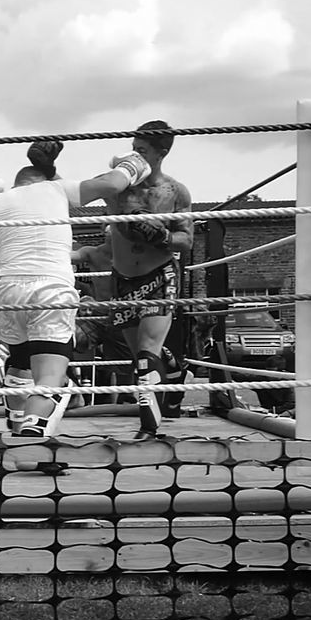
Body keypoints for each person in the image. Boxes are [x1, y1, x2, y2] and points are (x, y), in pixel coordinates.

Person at [0, 137, 158, 436]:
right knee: (51, 380)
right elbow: (111, 185)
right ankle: (30, 442)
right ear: (45, 177)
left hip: (8, 293)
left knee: (20, 363)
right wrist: (136, 161)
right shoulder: (55, 188)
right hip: (49, 290)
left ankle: (17, 426)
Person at [101, 121, 194, 438]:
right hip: (123, 278)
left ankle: (150, 429)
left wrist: (164, 236)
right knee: (139, 357)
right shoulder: (119, 185)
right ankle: (170, 363)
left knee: (144, 357)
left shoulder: (175, 191)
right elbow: (87, 193)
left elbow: (187, 240)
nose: (135, 155)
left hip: (160, 275)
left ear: (161, 153)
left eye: (142, 150)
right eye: (133, 148)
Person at [71, 225, 136, 400]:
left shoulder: (134, 254)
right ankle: (70, 389)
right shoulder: (93, 253)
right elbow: (68, 257)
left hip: (123, 314)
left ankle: (126, 397)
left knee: (124, 366)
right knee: (67, 339)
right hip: (98, 316)